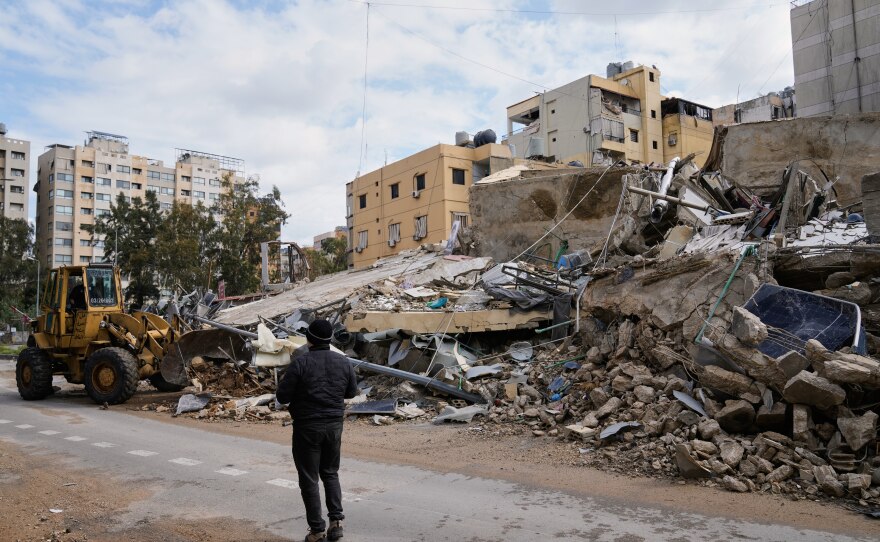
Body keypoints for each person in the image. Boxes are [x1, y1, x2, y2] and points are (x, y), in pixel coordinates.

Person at [276, 319, 358, 542]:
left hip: (307, 427)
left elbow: (282, 397)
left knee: (309, 478)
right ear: (330, 339)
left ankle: (317, 531)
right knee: (330, 472)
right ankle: (336, 523)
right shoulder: (343, 361)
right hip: (334, 425)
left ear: (309, 339)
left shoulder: (300, 362)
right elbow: (351, 392)